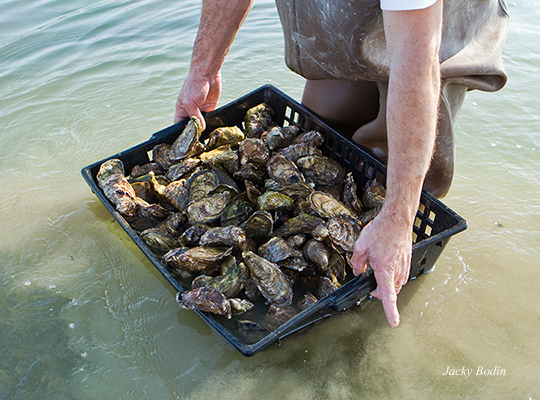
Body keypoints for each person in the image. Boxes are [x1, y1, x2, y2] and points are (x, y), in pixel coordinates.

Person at [174, 0, 508, 327]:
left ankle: (394, 269)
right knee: (325, 135)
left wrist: (397, 218)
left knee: (403, 182)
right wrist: (204, 69)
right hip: (343, 18)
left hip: (428, 32)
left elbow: (416, 64)